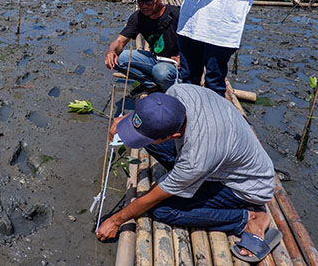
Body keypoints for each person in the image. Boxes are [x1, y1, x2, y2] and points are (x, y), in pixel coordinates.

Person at [95, 84, 280, 262]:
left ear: (174, 136)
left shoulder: (196, 158)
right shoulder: (178, 92)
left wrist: (115, 221)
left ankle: (246, 218)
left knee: (163, 210)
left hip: (245, 187)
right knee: (148, 141)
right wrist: (129, 121)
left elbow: (153, 198)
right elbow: (154, 112)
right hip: (223, 153)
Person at [104, 0, 180, 94]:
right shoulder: (138, 18)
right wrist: (111, 51)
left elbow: (197, 43)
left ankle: (174, 94)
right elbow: (120, 40)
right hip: (156, 59)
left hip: (176, 65)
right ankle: (152, 84)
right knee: (118, 59)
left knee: (161, 71)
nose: (144, 6)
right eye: (140, 1)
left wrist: (183, 57)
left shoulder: (176, 14)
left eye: (149, 0)